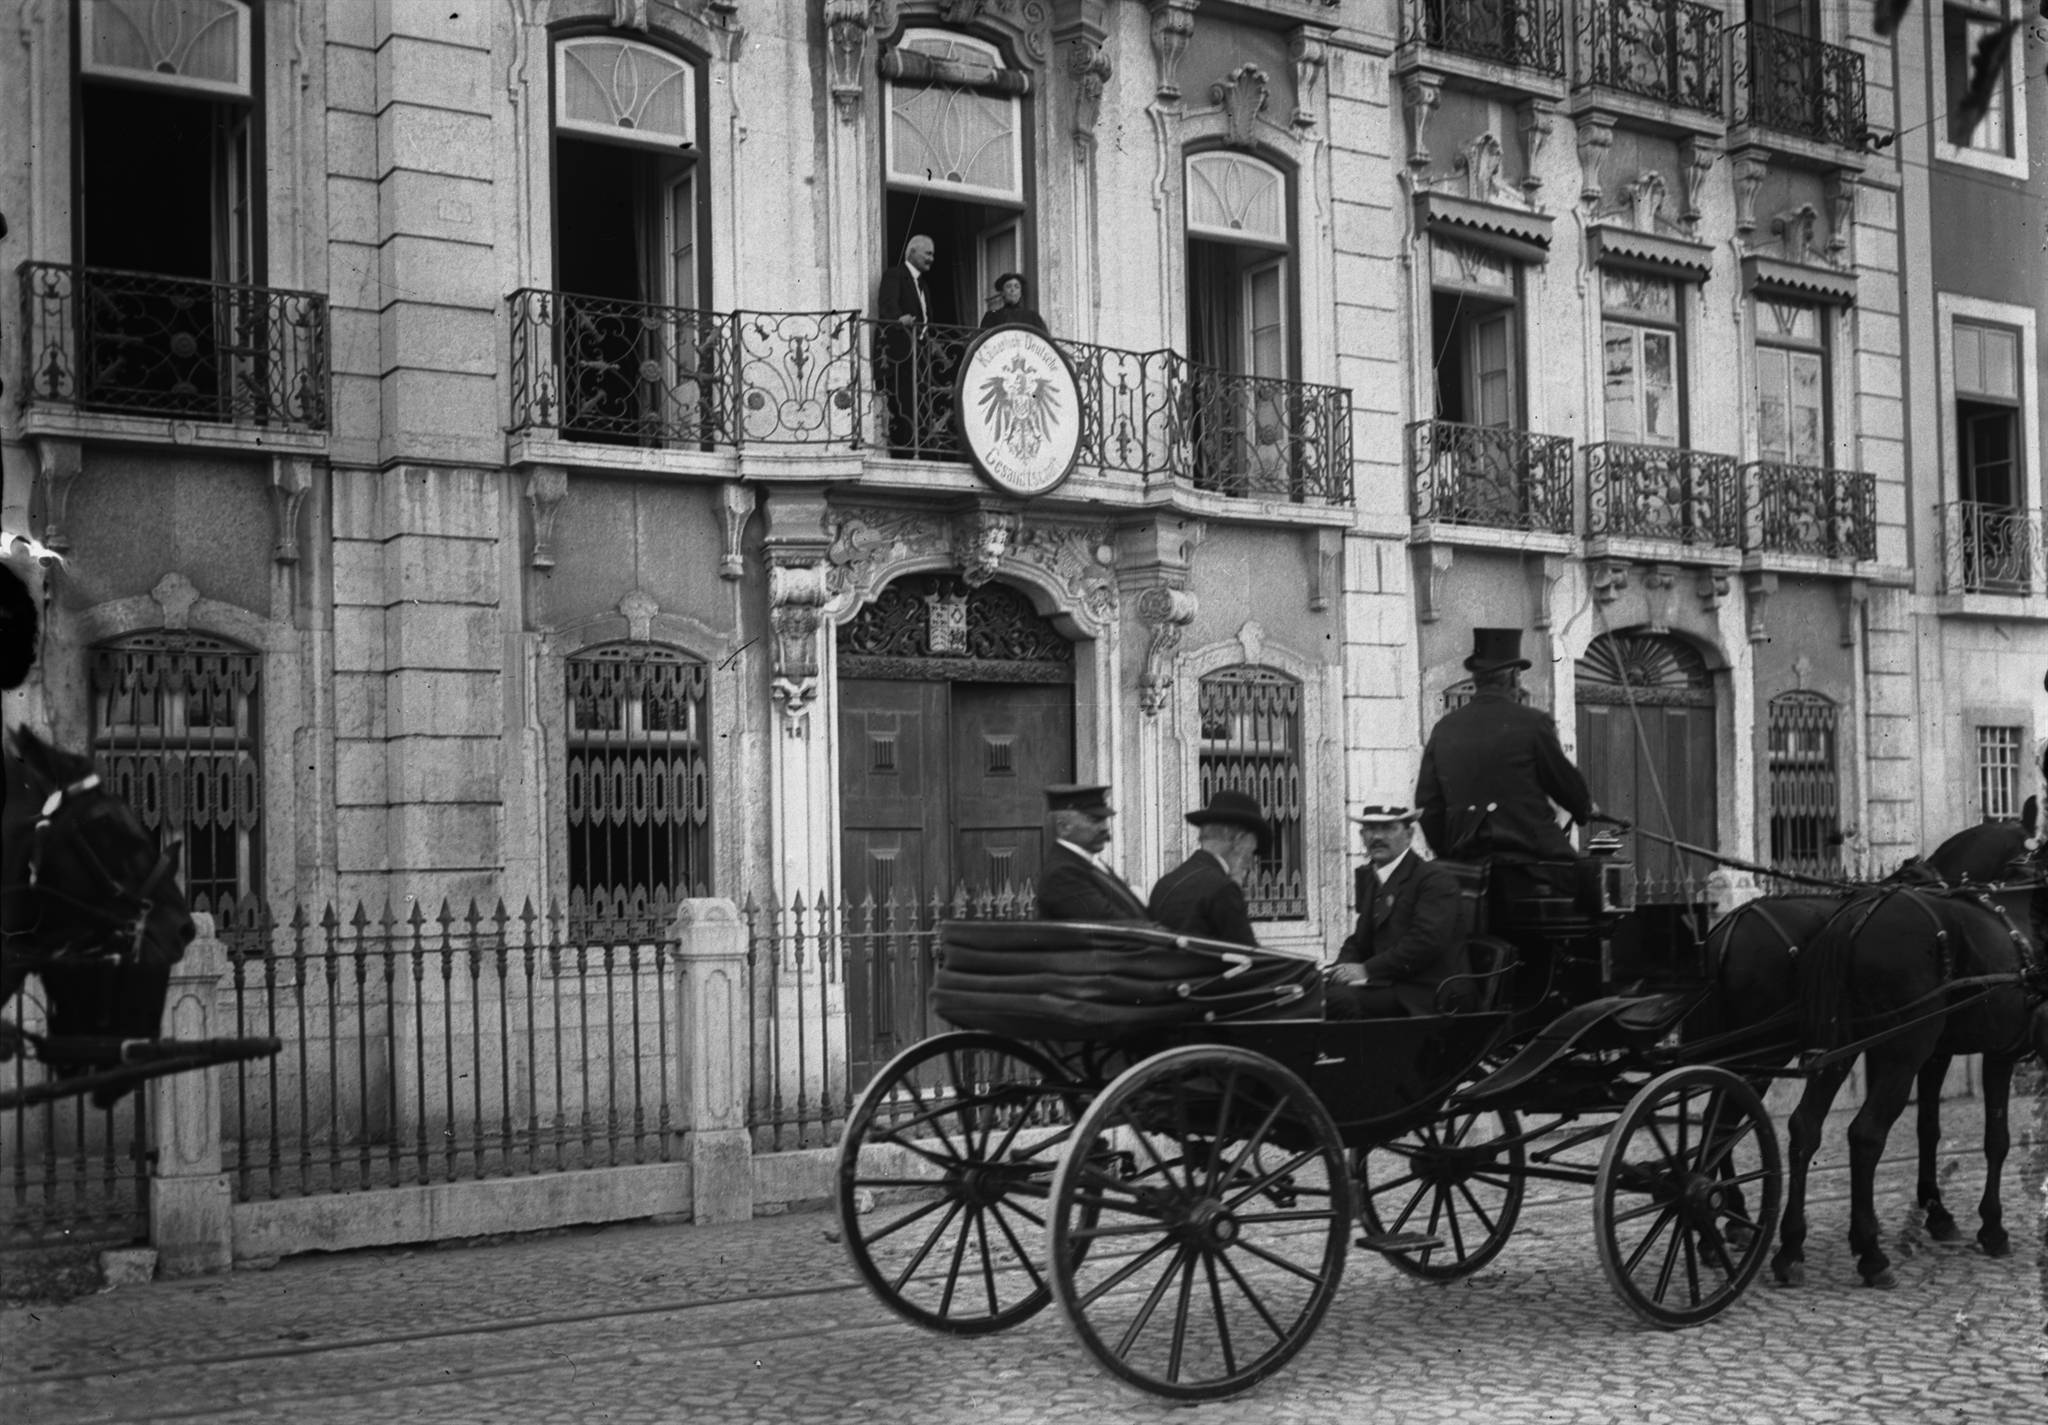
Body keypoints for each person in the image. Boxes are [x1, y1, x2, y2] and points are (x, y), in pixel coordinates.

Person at [1415, 628, 1594, 871]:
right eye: (1518, 675)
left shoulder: (1444, 728)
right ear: (1513, 676)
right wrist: (1583, 808)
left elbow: (1427, 806)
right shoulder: (1534, 723)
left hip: (1464, 865)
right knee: (1593, 886)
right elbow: (1567, 788)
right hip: (1532, 861)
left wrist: (1450, 855)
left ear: (1476, 678)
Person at [1326, 804, 1471, 1018]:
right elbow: (1359, 940)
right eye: (1370, 829)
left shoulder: (1434, 879)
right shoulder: (1375, 878)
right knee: (1317, 994)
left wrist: (1367, 970)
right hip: (1392, 983)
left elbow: (1425, 942)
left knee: (1337, 1001)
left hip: (1427, 992)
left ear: (1409, 834)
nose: (1377, 836)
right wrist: (1340, 969)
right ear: (1361, 835)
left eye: (1388, 829)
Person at [1147, 790, 1265, 948]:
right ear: (1238, 840)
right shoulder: (1223, 888)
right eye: (1250, 852)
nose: (1250, 863)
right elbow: (1250, 956)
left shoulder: (1164, 883)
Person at [1036, 783, 1150, 921]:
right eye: (1095, 820)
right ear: (1064, 827)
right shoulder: (1062, 873)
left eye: (1104, 820)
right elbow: (1114, 924)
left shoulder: (1088, 863)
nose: (1104, 828)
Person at [875, 235, 939, 457]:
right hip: (899, 352)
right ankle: (904, 449)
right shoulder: (895, 275)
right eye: (927, 253)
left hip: (920, 355)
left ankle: (920, 447)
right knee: (902, 402)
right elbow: (887, 305)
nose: (931, 258)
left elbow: (927, 318)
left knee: (920, 402)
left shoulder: (923, 284)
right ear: (912, 252)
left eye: (932, 254)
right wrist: (898, 319)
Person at [978, 272, 1047, 334]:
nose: (1012, 290)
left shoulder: (1033, 317)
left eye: (1017, 287)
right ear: (1002, 293)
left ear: (1020, 293)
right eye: (1008, 286)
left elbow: (1044, 341)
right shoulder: (991, 317)